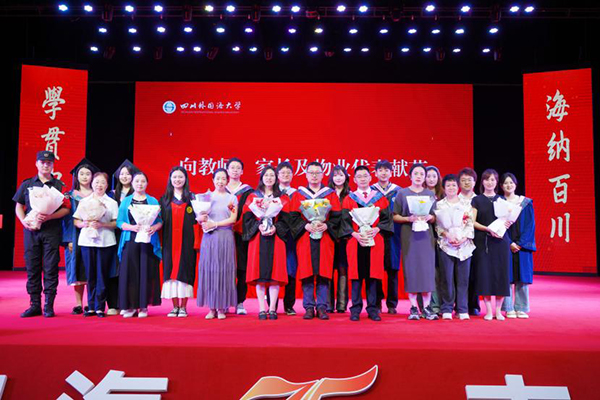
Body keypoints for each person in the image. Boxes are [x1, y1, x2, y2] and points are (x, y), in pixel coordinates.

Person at [13, 151, 70, 318]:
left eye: (49, 163)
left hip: (51, 231)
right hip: (31, 231)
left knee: (51, 268)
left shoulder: (59, 185)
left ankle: (48, 305)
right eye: (42, 162)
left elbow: (66, 209)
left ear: (53, 165)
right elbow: (19, 206)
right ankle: (34, 304)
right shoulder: (27, 184)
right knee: (32, 267)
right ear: (36, 164)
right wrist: (24, 221)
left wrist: (50, 216)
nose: (46, 165)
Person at [289, 161, 342, 320]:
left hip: (325, 237)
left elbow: (337, 217)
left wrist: (327, 226)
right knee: (306, 272)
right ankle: (309, 307)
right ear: (306, 175)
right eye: (311, 173)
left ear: (322, 175)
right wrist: (305, 226)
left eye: (317, 173)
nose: (314, 176)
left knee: (324, 272)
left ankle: (322, 307)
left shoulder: (330, 194)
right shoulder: (299, 194)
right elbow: (293, 217)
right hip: (305, 238)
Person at [340, 166, 393, 321]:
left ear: (370, 178)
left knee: (373, 276)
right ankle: (355, 309)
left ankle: (373, 309)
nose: (362, 179)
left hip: (375, 240)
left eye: (365, 176)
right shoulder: (349, 199)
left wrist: (377, 229)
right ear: (354, 180)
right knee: (356, 277)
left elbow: (387, 220)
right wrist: (354, 234)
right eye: (359, 176)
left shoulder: (379, 198)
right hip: (355, 241)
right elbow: (344, 222)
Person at [242, 166, 290, 320]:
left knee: (275, 274)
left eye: (272, 175)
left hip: (276, 238)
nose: (269, 178)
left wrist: (276, 227)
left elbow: (287, 220)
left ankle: (272, 308)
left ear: (276, 178)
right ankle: (262, 309)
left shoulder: (282, 198)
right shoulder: (252, 197)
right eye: (266, 175)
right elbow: (247, 219)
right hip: (258, 238)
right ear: (261, 178)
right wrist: (259, 226)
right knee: (259, 275)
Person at [393, 163, 438, 320]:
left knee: (427, 270)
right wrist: (408, 218)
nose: (419, 176)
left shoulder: (430, 194)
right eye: (416, 174)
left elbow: (435, 217)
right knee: (411, 269)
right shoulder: (402, 193)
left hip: (426, 236)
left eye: (421, 174)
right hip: (409, 235)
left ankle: (426, 307)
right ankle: (413, 307)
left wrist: (430, 217)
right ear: (410, 176)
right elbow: (395, 216)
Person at [117, 171, 163, 318]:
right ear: (132, 183)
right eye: (137, 181)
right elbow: (119, 222)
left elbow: (160, 221)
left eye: (143, 181)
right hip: (130, 239)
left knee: (146, 272)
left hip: (148, 241)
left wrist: (154, 227)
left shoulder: (153, 201)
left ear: (147, 183)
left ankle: (143, 306)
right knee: (130, 273)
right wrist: (131, 227)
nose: (140, 184)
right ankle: (130, 306)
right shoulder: (126, 201)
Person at [73, 172, 119, 317]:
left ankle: (100, 307)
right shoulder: (84, 201)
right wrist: (83, 224)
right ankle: (91, 306)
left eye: (103, 183)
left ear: (107, 185)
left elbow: (115, 223)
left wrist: (102, 224)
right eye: (97, 182)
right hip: (87, 241)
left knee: (102, 274)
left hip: (105, 241)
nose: (99, 185)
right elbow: (76, 220)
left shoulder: (111, 203)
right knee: (90, 274)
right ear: (92, 184)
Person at [197, 168, 239, 320]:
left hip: (225, 237)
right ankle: (211, 308)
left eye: (223, 179)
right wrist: (201, 218)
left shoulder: (231, 199)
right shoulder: (206, 197)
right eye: (218, 178)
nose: (220, 181)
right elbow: (200, 218)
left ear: (227, 181)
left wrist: (215, 224)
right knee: (210, 270)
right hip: (209, 237)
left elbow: (233, 219)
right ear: (213, 180)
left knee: (224, 270)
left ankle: (222, 307)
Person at [471, 169, 511, 321]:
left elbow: (508, 219)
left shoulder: (502, 199)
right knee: (485, 275)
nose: (490, 182)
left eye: (493, 180)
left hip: (501, 241)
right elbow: (472, 222)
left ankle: (498, 311)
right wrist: (487, 229)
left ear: (497, 182)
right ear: (482, 182)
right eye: (487, 179)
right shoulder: (477, 200)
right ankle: (488, 310)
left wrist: (507, 224)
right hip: (484, 242)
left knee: (501, 275)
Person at [434, 174, 476, 320]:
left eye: (453, 185)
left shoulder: (466, 204)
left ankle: (462, 309)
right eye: (448, 185)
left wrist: (463, 238)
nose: (451, 188)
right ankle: (447, 308)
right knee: (446, 278)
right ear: (444, 188)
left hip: (465, 246)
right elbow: (437, 226)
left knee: (463, 279)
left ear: (458, 187)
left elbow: (470, 224)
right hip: (446, 245)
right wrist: (447, 235)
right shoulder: (439, 205)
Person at [160, 166, 199, 318]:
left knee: (185, 271)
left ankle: (183, 307)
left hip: (187, 242)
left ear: (185, 179)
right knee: (170, 272)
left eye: (180, 177)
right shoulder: (164, 199)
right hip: (169, 242)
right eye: (175, 177)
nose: (177, 180)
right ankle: (175, 306)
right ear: (170, 179)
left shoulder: (192, 198)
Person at [62, 159, 99, 315]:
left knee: (92, 268)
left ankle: (91, 302)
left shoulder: (98, 195)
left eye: (88, 174)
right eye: (81, 174)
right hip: (75, 236)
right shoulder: (69, 196)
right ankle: (78, 303)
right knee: (76, 268)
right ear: (76, 176)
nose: (85, 177)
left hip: (95, 236)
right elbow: (66, 219)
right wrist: (68, 239)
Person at [500, 173, 536, 319]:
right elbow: (498, 225)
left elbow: (530, 225)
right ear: (501, 186)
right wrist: (509, 243)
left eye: (511, 183)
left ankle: (521, 307)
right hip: (505, 243)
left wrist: (520, 244)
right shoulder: (499, 202)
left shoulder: (525, 203)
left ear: (515, 184)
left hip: (522, 246)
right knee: (507, 276)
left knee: (522, 276)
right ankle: (508, 307)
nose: (509, 185)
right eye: (505, 183)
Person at [107, 159, 139, 316]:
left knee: (129, 270)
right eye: (122, 174)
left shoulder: (138, 194)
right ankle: (114, 304)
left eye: (128, 174)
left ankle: (129, 303)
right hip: (113, 234)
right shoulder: (112, 194)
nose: (124, 176)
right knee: (113, 269)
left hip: (131, 235)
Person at [371, 160, 402, 314]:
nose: (383, 173)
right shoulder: (371, 191)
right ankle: (376, 302)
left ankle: (391, 304)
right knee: (376, 268)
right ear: (375, 173)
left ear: (391, 172)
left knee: (392, 269)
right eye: (380, 170)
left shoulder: (399, 191)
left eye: (386, 170)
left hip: (394, 233)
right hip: (376, 233)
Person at [225, 157, 254, 316]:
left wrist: (237, 225)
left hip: (242, 234)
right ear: (227, 170)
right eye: (232, 167)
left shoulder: (248, 191)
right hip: (223, 234)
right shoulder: (221, 189)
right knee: (225, 268)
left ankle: (240, 302)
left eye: (238, 168)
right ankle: (224, 301)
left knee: (242, 268)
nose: (235, 170)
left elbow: (250, 213)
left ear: (242, 171)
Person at [326, 165, 351, 314]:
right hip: (328, 235)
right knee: (328, 269)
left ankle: (341, 304)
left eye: (341, 175)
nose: (338, 178)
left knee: (343, 269)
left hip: (345, 238)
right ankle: (328, 304)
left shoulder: (351, 195)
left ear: (346, 177)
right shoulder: (326, 194)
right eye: (335, 175)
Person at [277, 161, 299, 316]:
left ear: (292, 175)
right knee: (273, 270)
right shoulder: (272, 193)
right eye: (282, 172)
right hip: (275, 236)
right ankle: (271, 306)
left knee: (291, 270)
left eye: (288, 172)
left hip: (292, 237)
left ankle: (289, 305)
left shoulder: (297, 193)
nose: (285, 175)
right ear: (277, 175)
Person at [457, 167, 480, 316]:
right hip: (457, 241)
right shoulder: (454, 199)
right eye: (463, 180)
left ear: (475, 182)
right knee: (458, 275)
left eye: (469, 180)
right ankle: (458, 305)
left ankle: (473, 305)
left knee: (474, 274)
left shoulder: (479, 200)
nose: (466, 183)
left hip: (475, 241)